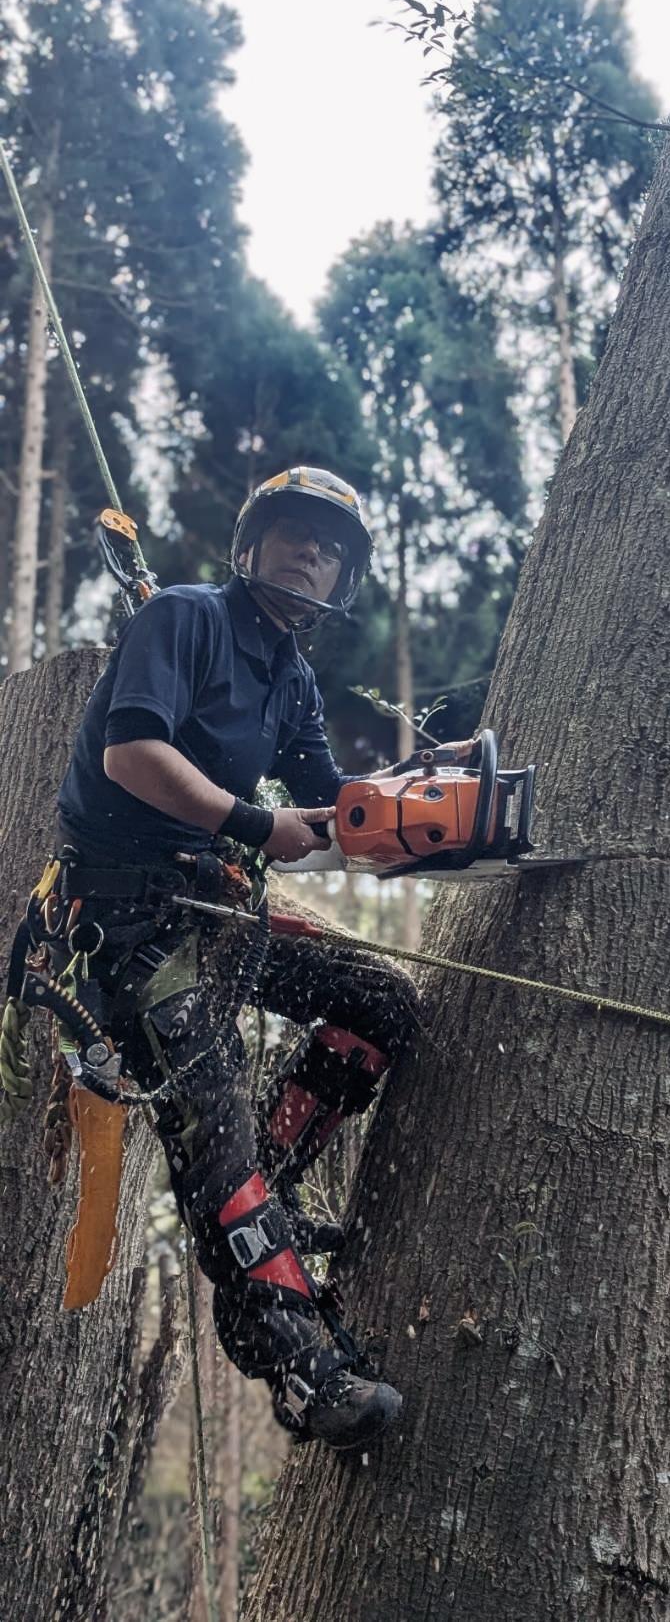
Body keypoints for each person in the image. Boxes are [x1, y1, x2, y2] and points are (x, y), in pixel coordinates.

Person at [53, 466, 456, 1449]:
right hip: (132, 918)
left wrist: (429, 812)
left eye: (329, 546)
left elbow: (330, 805)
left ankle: (265, 1188)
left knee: (378, 1004)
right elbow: (131, 753)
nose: (311, 553)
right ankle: (296, 1357)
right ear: (251, 544)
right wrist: (250, 817)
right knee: (213, 1121)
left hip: (218, 909)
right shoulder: (185, 619)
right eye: (294, 534)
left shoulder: (294, 676)